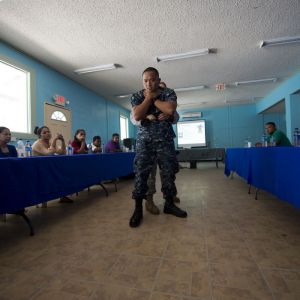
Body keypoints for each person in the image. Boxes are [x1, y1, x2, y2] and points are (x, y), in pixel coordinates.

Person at [129, 67, 187, 227]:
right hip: (145, 143)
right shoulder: (137, 96)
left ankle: (169, 204)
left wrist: (154, 99)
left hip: (165, 140)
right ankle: (138, 208)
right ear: (142, 81)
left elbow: (170, 109)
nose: (149, 83)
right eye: (145, 80)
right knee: (142, 174)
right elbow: (136, 115)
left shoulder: (168, 92)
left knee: (168, 172)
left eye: (153, 79)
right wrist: (148, 98)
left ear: (158, 79)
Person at [32, 126, 72, 203]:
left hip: (48, 168)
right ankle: (58, 195)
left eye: (48, 131)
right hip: (39, 170)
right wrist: (55, 140)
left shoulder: (49, 143)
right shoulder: (37, 143)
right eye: (44, 132)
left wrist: (62, 141)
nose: (47, 133)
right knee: (59, 174)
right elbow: (48, 153)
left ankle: (63, 195)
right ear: (40, 135)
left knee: (65, 172)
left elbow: (62, 153)